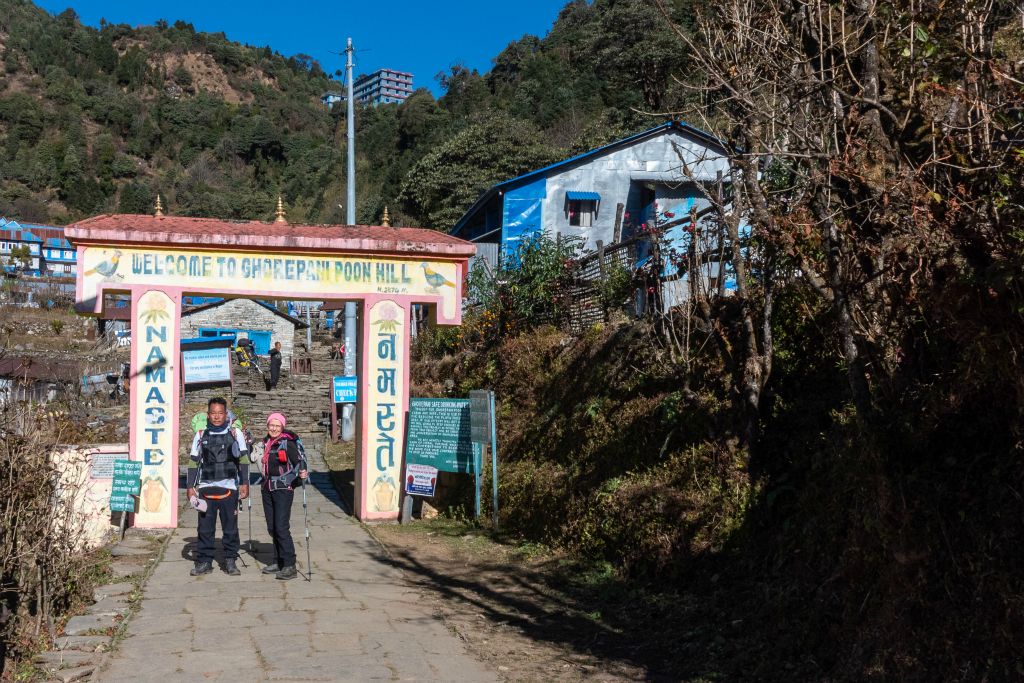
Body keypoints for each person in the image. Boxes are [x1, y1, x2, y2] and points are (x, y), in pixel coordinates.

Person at [186, 397, 250, 577]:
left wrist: (245, 483)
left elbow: (243, 460)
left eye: (220, 413)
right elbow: (193, 463)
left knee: (230, 527)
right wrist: (190, 487)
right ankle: (204, 561)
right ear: (208, 415)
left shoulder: (235, 434)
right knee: (205, 528)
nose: (216, 417)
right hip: (206, 488)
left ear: (226, 414)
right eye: (213, 413)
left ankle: (230, 560)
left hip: (230, 488)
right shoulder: (200, 435)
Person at [258, 412, 307, 580]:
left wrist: (296, 479)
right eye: (271, 425)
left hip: (283, 489)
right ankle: (278, 561)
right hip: (267, 487)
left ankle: (289, 565)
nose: (274, 428)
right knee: (272, 527)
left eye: (277, 426)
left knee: (281, 527)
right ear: (267, 426)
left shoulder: (288, 443)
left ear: (282, 427)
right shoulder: (265, 442)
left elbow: (299, 462)